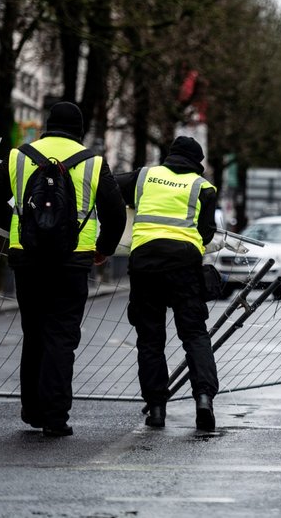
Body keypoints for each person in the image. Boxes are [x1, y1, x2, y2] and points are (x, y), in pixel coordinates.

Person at [0, 102, 126, 437]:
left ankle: (32, 410)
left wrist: (18, 226)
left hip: (26, 259)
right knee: (61, 335)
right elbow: (115, 215)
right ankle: (55, 417)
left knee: (33, 333)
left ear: (47, 124)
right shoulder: (93, 163)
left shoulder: (19, 156)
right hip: (72, 261)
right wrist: (102, 249)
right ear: (80, 129)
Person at [115, 137, 220, 431]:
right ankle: (203, 399)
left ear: (169, 156)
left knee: (150, 340)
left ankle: (157, 408)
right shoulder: (204, 188)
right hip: (185, 268)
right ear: (197, 164)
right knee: (195, 335)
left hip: (145, 264)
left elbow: (110, 188)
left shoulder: (145, 176)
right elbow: (207, 234)